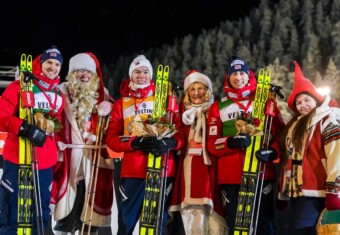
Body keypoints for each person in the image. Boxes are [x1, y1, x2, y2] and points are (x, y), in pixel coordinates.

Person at [105, 55, 184, 235]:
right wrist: (134, 142)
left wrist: (170, 142)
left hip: (163, 167)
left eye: (146, 72)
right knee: (126, 221)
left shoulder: (165, 101)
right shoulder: (121, 104)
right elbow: (111, 139)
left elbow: (181, 132)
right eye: (137, 72)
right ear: (130, 75)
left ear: (151, 75)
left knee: (157, 221)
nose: (142, 75)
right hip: (133, 170)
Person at [206, 56, 285, 234]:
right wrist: (230, 142)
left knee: (264, 223)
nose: (238, 77)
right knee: (236, 223)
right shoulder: (218, 107)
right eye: (234, 73)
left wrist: (273, 152)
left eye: (242, 72)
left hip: (261, 172)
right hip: (230, 176)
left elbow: (281, 134)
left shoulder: (266, 102)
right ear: (228, 77)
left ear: (249, 75)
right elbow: (211, 144)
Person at [0, 45, 64, 234]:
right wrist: (23, 127)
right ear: (41, 63)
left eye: (57, 64)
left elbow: (57, 122)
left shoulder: (58, 94)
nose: (53, 67)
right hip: (18, 157)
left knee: (40, 212)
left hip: (44, 161)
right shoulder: (19, 86)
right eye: (49, 63)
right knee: (12, 208)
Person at [50, 52, 114, 235]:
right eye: (79, 71)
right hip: (67, 159)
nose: (84, 74)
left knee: (90, 202)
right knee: (67, 203)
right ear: (71, 74)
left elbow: (117, 122)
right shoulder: (58, 94)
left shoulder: (103, 96)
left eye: (88, 71)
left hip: (92, 159)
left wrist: (110, 111)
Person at [277, 61, 340, 235]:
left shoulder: (328, 120)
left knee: (300, 230)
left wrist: (334, 191)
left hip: (317, 191)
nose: (303, 105)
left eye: (307, 100)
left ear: (316, 100)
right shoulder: (294, 126)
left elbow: (337, 156)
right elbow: (289, 159)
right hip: (297, 191)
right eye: (298, 103)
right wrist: (282, 192)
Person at [168, 70, 228, 234]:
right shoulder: (183, 114)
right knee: (189, 205)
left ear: (207, 90)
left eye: (200, 88)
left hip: (209, 164)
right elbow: (178, 134)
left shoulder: (215, 110)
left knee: (212, 203)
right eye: (192, 89)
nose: (196, 93)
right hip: (188, 164)